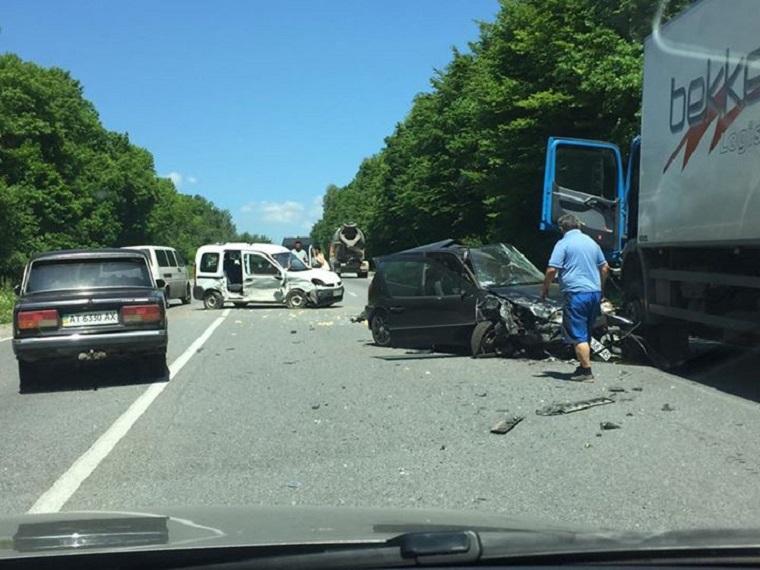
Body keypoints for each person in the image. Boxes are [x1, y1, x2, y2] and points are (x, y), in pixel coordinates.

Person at [541, 214, 609, 382]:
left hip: (576, 293)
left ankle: (586, 371)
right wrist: (601, 288)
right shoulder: (592, 242)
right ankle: (582, 366)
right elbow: (605, 268)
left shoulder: (563, 244)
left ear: (561, 228)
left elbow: (552, 269)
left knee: (578, 334)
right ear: (579, 226)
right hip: (594, 293)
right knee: (586, 330)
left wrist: (545, 288)